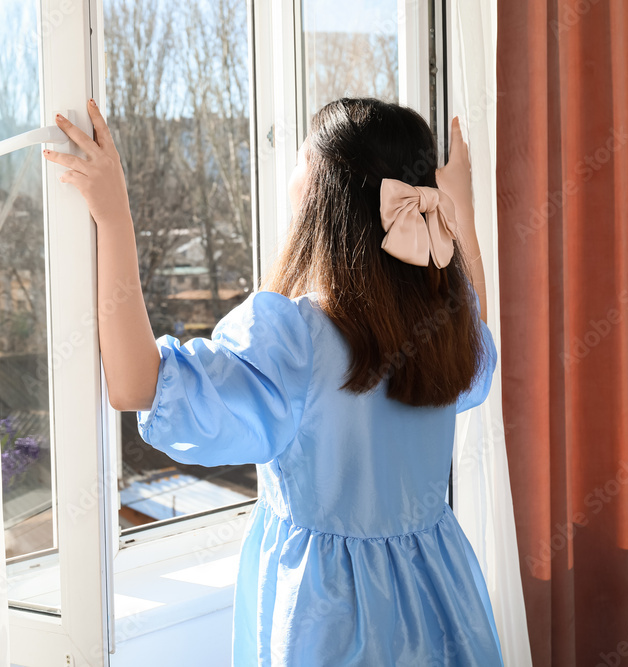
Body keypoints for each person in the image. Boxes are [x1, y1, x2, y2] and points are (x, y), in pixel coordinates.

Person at [44, 97, 503, 666]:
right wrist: (465, 212)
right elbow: (475, 316)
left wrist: (113, 217)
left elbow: (138, 385)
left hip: (331, 618)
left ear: (321, 191)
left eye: (301, 159)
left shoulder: (296, 342)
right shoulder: (446, 327)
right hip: (439, 595)